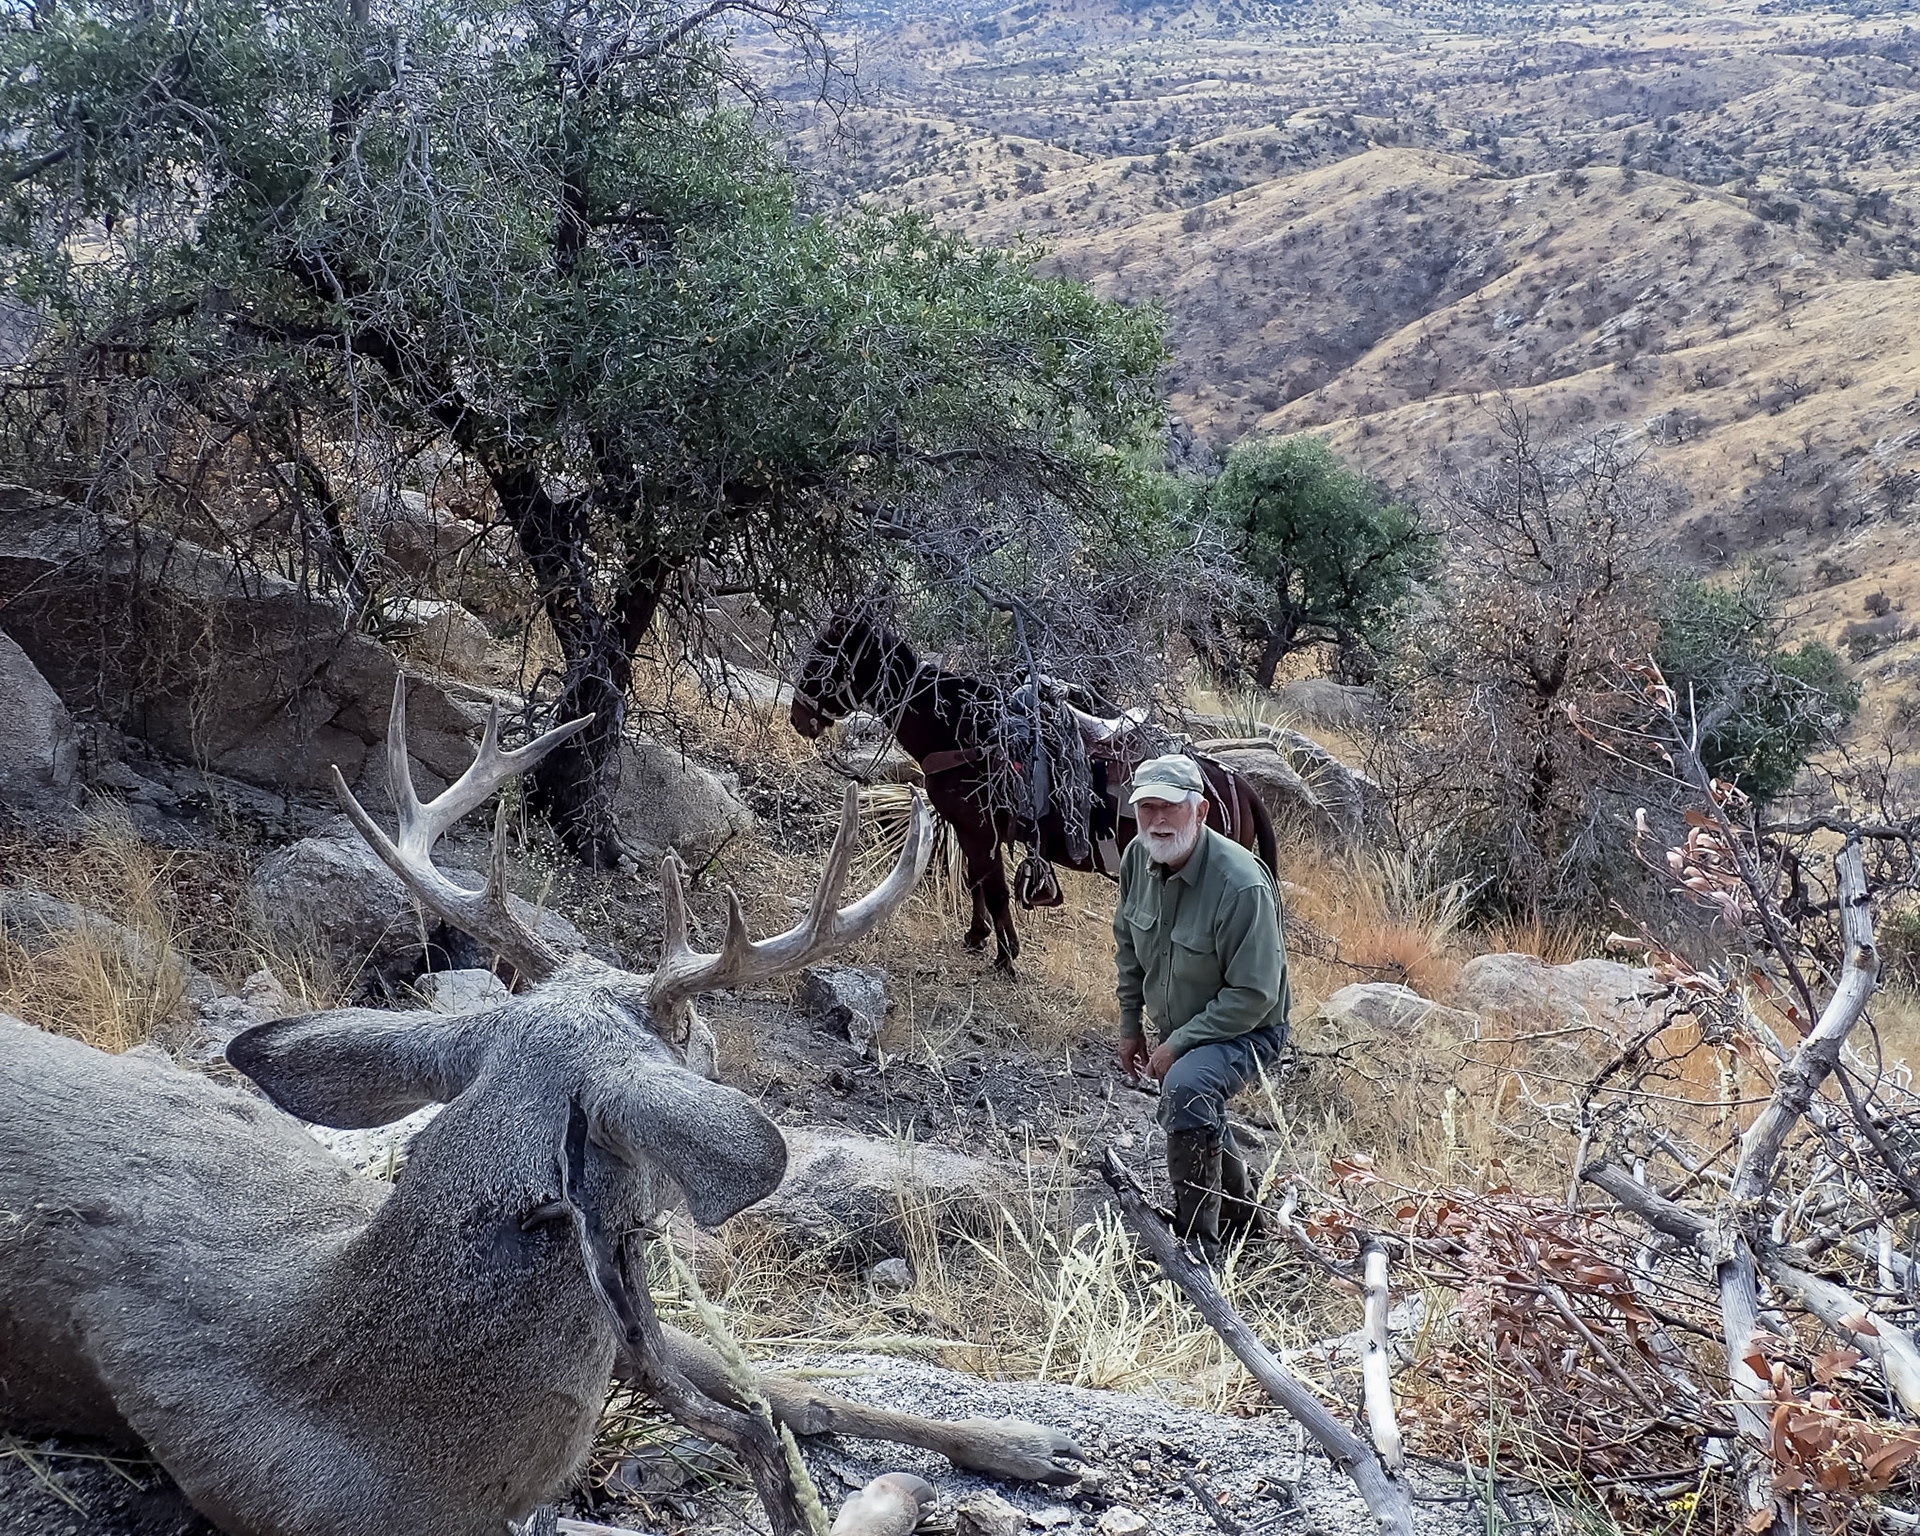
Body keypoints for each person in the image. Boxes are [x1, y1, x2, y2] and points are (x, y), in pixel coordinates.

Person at [1113, 754, 1290, 1258]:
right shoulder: (1135, 859)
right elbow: (1128, 945)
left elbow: (1254, 996)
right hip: (1184, 1025)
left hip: (1249, 1027)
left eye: (1170, 807)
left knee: (1187, 1088)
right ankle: (1242, 1218)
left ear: (1202, 811)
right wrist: (1131, 1024)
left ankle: (1196, 1250)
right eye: (1147, 807)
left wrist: (1180, 1044)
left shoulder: (1242, 883)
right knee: (1195, 1099)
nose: (1158, 820)